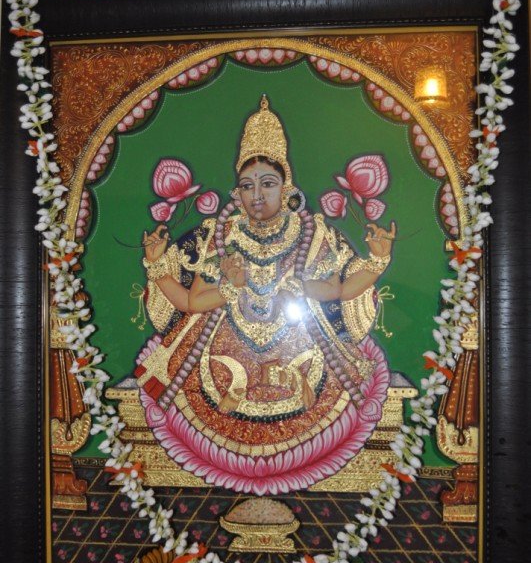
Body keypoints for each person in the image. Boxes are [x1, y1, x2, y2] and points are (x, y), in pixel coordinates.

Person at [135, 96, 394, 495]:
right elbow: (190, 303)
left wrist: (377, 261)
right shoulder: (218, 236)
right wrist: (167, 269)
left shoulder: (313, 234)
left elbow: (339, 291)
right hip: (221, 358)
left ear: (287, 188)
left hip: (302, 352)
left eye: (268, 184)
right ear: (236, 193)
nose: (257, 195)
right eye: (247, 185)